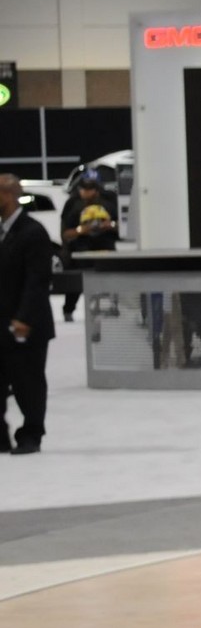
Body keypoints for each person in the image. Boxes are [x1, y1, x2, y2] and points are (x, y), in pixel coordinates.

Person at [0, 173, 55, 454]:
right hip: (2, 324)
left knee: (28, 383)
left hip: (26, 325)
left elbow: (37, 281)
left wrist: (23, 318)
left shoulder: (32, 232)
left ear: (8, 196)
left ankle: (31, 435)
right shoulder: (4, 232)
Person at [58, 169, 117, 324]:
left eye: (90, 188)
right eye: (83, 188)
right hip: (80, 253)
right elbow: (65, 233)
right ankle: (68, 311)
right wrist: (81, 230)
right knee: (76, 284)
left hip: (105, 252)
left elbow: (124, 226)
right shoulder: (73, 204)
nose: (86, 192)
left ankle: (108, 309)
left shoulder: (110, 201)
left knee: (106, 285)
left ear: (97, 188)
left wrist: (109, 225)